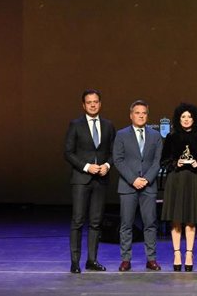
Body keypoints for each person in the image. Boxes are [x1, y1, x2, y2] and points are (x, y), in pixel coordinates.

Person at [64, 89, 116, 273]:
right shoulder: (75, 124)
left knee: (96, 222)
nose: (93, 104)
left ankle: (92, 260)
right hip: (81, 179)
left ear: (100, 103)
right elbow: (68, 152)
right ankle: (75, 262)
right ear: (83, 105)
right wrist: (87, 167)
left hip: (100, 180)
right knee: (78, 221)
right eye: (89, 102)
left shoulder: (108, 125)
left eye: (95, 101)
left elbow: (113, 153)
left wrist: (107, 166)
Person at [113, 100, 163, 272]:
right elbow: (118, 160)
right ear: (131, 115)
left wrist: (147, 179)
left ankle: (151, 259)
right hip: (128, 186)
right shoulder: (121, 135)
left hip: (149, 186)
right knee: (126, 224)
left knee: (150, 223)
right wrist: (133, 179)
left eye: (144, 113)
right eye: (137, 113)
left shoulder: (155, 135)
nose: (141, 115)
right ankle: (125, 259)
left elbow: (157, 162)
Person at [160, 103, 197, 272]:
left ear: (194, 119)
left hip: (193, 180)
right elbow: (163, 162)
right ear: (178, 119)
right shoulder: (171, 138)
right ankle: (177, 254)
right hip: (176, 180)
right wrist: (176, 162)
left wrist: (196, 163)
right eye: (183, 117)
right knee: (176, 219)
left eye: (189, 117)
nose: (186, 120)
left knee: (191, 219)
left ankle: (189, 254)